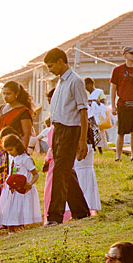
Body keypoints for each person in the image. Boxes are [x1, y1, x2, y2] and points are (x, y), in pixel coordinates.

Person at [43, 47, 90, 225]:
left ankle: (54, 216)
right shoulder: (61, 83)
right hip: (58, 130)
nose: (50, 70)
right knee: (65, 171)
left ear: (61, 62)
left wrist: (82, 140)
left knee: (61, 172)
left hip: (70, 130)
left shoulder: (75, 81)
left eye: (51, 66)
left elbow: (83, 112)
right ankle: (81, 212)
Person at [0, 135, 41, 232]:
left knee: (20, 211)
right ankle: (11, 231)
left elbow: (36, 174)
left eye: (11, 150)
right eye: (7, 151)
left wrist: (30, 183)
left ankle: (20, 230)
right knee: (10, 211)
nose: (9, 152)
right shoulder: (12, 158)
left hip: (23, 190)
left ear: (17, 146)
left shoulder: (25, 159)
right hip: (12, 190)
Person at [111, 46, 133, 161]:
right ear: (125, 55)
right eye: (131, 53)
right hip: (123, 104)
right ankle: (118, 156)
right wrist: (113, 106)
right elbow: (113, 88)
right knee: (121, 131)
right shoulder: (118, 70)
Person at [0, 82, 35, 154]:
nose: (5, 97)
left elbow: (26, 134)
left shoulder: (23, 112)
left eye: (8, 94)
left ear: (16, 94)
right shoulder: (1, 108)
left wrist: (21, 153)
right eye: (3, 94)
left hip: (12, 150)